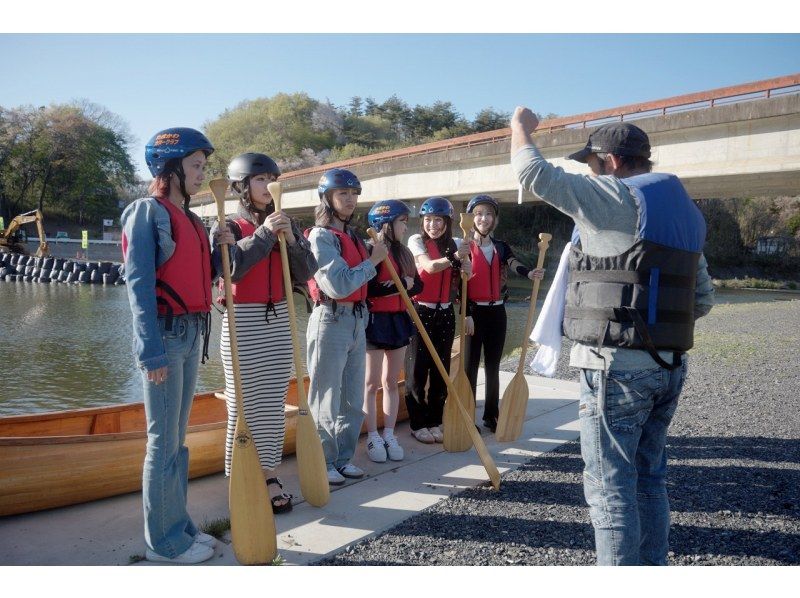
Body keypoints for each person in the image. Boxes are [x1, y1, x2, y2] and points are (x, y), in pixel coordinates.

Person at [510, 109, 715, 565]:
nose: (590, 172)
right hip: (670, 368)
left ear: (612, 162)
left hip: (614, 369)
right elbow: (701, 299)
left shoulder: (616, 195)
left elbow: (533, 174)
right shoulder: (687, 212)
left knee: (610, 490)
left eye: (592, 164)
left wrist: (520, 127)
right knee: (650, 479)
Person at [121, 127, 234, 564]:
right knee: (162, 444)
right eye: (195, 166)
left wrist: (219, 250)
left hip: (191, 333)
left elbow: (197, 276)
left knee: (177, 442)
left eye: (204, 166)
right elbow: (139, 286)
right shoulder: (146, 212)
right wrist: (149, 352)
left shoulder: (191, 218)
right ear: (170, 168)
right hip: (166, 338)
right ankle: (163, 544)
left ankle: (179, 525)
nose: (202, 174)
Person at [210, 153, 318, 513]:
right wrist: (266, 232)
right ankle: (239, 476)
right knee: (242, 406)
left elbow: (307, 271)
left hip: (280, 319)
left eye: (273, 178)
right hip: (243, 320)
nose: (269, 185)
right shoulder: (227, 224)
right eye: (260, 179)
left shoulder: (287, 223)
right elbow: (232, 268)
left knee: (272, 405)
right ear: (242, 186)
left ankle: (269, 475)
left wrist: (291, 240)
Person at [305, 168, 388, 485]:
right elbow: (338, 285)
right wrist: (374, 260)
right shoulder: (321, 236)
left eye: (354, 193)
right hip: (331, 318)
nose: (350, 199)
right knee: (326, 396)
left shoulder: (352, 237)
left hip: (357, 319)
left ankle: (342, 459)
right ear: (327, 197)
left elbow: (363, 281)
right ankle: (322, 461)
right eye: (343, 193)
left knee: (352, 398)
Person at [462, 194, 544, 433]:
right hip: (473, 313)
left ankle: (491, 415)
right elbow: (459, 284)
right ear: (471, 218)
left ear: (495, 219)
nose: (484, 218)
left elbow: (513, 262)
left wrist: (529, 273)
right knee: (469, 367)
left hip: (497, 312)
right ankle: (467, 416)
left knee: (493, 366)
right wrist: (466, 313)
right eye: (478, 214)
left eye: (489, 214)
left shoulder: (500, 246)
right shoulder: (464, 247)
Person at [405, 197, 470, 444]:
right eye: (428, 219)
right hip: (420, 311)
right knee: (417, 369)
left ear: (447, 222)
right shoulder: (416, 240)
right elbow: (429, 267)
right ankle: (417, 423)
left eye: (438, 220)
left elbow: (467, 273)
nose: (432, 225)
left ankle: (434, 420)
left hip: (445, 313)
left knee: (441, 369)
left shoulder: (457, 243)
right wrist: (455, 258)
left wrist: (466, 265)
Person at [363, 200, 422, 462]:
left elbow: (418, 285)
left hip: (398, 320)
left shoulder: (404, 252)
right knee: (371, 383)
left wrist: (403, 285)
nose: (405, 228)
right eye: (402, 222)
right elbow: (368, 288)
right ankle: (372, 436)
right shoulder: (371, 249)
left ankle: (389, 433)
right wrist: (399, 286)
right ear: (385, 223)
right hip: (374, 321)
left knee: (391, 381)